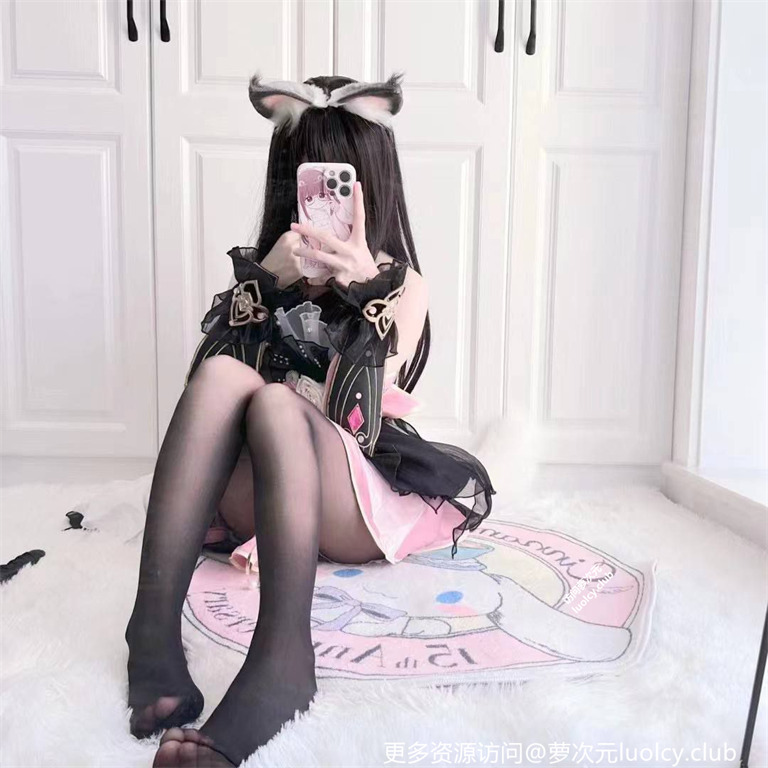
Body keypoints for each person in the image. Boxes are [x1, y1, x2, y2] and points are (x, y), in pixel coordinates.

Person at [124, 71, 496, 768]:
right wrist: (264, 282)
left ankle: (283, 662)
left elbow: (362, 413)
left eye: (340, 185)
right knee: (228, 377)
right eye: (310, 183)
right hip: (259, 495)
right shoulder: (264, 272)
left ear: (370, 186)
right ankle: (151, 630)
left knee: (277, 402)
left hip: (345, 493)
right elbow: (205, 392)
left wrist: (361, 287)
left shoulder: (402, 284)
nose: (325, 201)